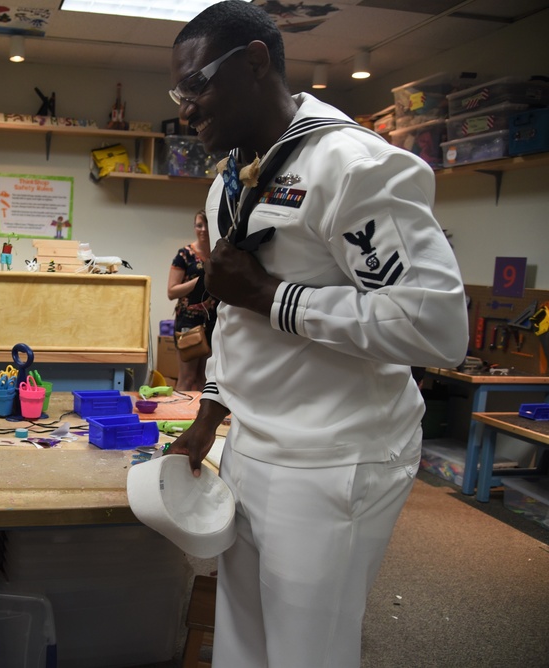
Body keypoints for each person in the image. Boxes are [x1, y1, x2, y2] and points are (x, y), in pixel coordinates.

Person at [165, 3, 468, 667]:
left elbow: (436, 326)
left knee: (308, 651)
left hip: (334, 456)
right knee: (240, 641)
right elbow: (238, 322)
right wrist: (210, 419)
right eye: (178, 92)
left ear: (254, 63)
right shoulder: (232, 184)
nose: (185, 110)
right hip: (251, 443)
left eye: (197, 86)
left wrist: (277, 298)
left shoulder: (355, 168)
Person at [166, 209, 217, 390]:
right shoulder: (184, 255)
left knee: (205, 379)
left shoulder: (219, 255)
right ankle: (178, 417)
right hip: (188, 322)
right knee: (187, 378)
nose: (203, 230)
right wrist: (200, 281)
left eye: (207, 225)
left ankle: (199, 417)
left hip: (213, 321)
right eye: (199, 225)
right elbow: (171, 292)